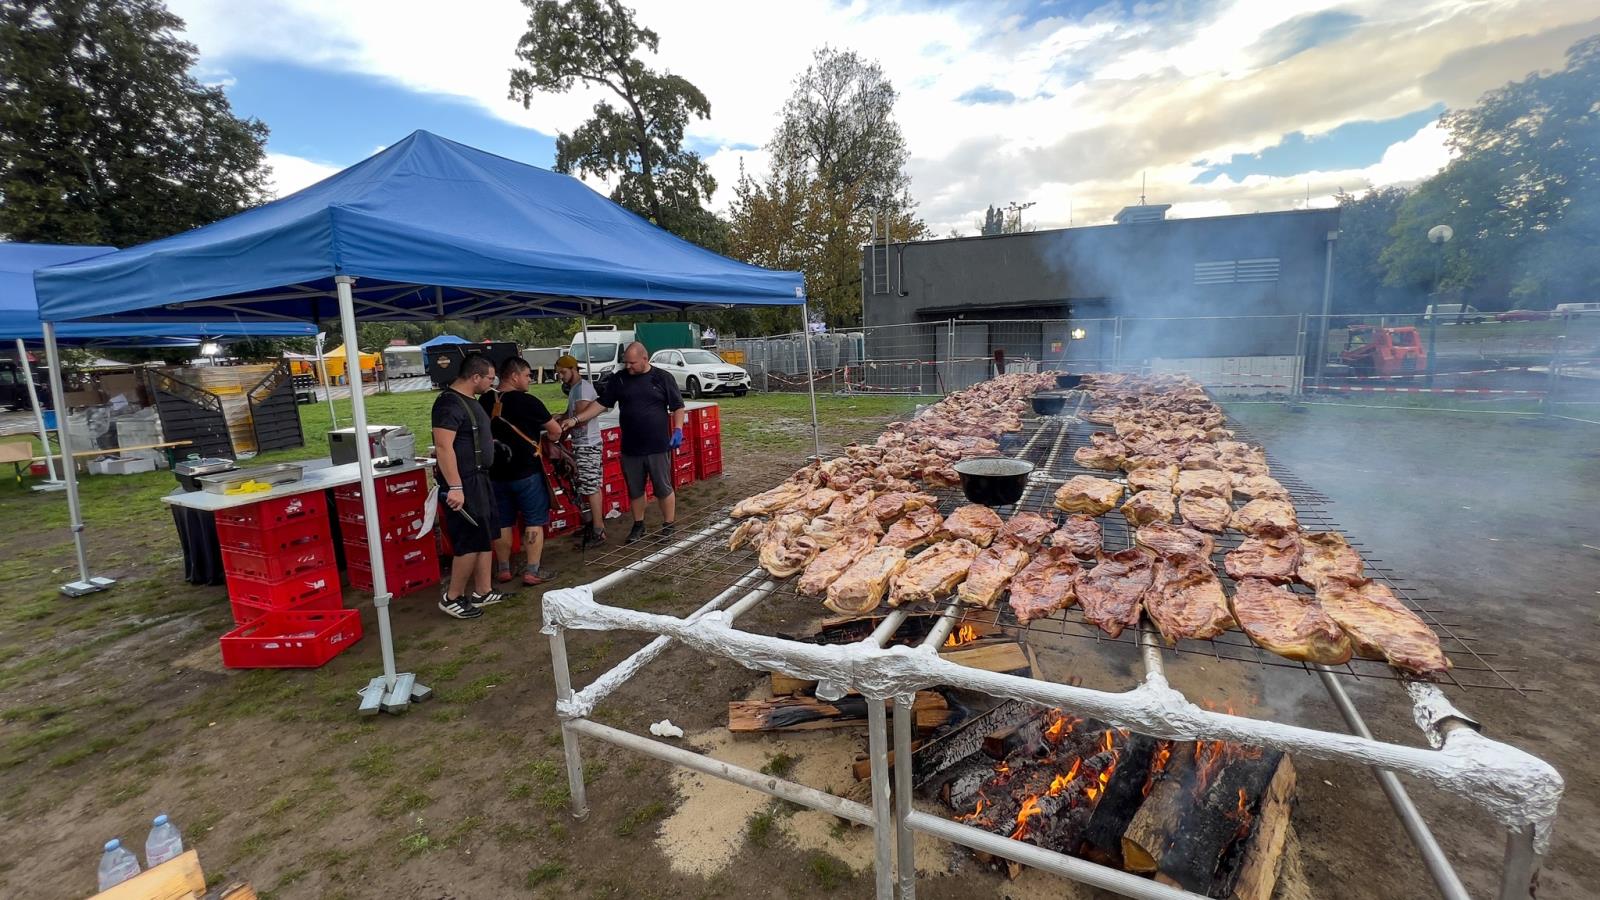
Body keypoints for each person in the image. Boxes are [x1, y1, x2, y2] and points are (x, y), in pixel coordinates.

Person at [563, 341, 684, 544]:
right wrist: (576, 419)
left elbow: (678, 406)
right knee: (635, 489)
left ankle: (669, 525)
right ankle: (638, 525)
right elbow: (602, 404)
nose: (628, 366)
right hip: (631, 447)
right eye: (625, 362)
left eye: (632, 363)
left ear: (645, 359)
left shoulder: (662, 378)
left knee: (663, 487)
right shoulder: (619, 379)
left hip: (657, 445)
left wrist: (679, 429)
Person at [431, 353, 505, 619]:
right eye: (489, 378)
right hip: (464, 482)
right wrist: (455, 487)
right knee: (470, 539)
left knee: (484, 535)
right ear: (475, 377)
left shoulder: (470, 401)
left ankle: (482, 591)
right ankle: (452, 597)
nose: (492, 383)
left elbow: (470, 437)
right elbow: (443, 446)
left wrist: (492, 447)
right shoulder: (448, 404)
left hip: (480, 478)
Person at [482, 356, 563, 587]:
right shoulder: (529, 402)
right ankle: (532, 570)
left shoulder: (485, 400)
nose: (530, 380)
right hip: (527, 472)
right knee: (534, 521)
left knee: (504, 522)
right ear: (514, 376)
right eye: (528, 375)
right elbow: (555, 432)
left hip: (495, 473)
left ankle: (504, 569)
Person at [554, 354, 606, 547]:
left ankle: (598, 531)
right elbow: (574, 414)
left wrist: (561, 427)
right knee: (587, 485)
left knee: (591, 487)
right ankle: (593, 525)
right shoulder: (575, 389)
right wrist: (561, 416)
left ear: (574, 369)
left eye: (563, 372)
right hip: (582, 443)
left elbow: (581, 418)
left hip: (588, 443)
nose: (561, 376)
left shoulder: (583, 388)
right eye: (559, 373)